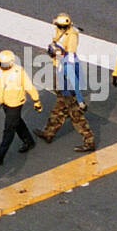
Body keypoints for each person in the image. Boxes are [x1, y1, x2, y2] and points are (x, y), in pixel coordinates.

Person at [37, 13, 94, 152]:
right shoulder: (63, 32)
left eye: (62, 27)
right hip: (60, 73)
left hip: (66, 80)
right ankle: (49, 132)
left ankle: (89, 140)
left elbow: (72, 74)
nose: (60, 28)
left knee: (75, 114)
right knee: (59, 107)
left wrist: (80, 101)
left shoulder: (71, 40)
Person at [0, 49, 40, 164]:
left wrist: (36, 100)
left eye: (5, 64)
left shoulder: (19, 72)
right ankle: (29, 141)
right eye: (0, 63)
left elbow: (29, 87)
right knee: (17, 122)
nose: (2, 66)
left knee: (9, 130)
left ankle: (0, 156)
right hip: (5, 103)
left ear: (11, 62)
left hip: (15, 104)